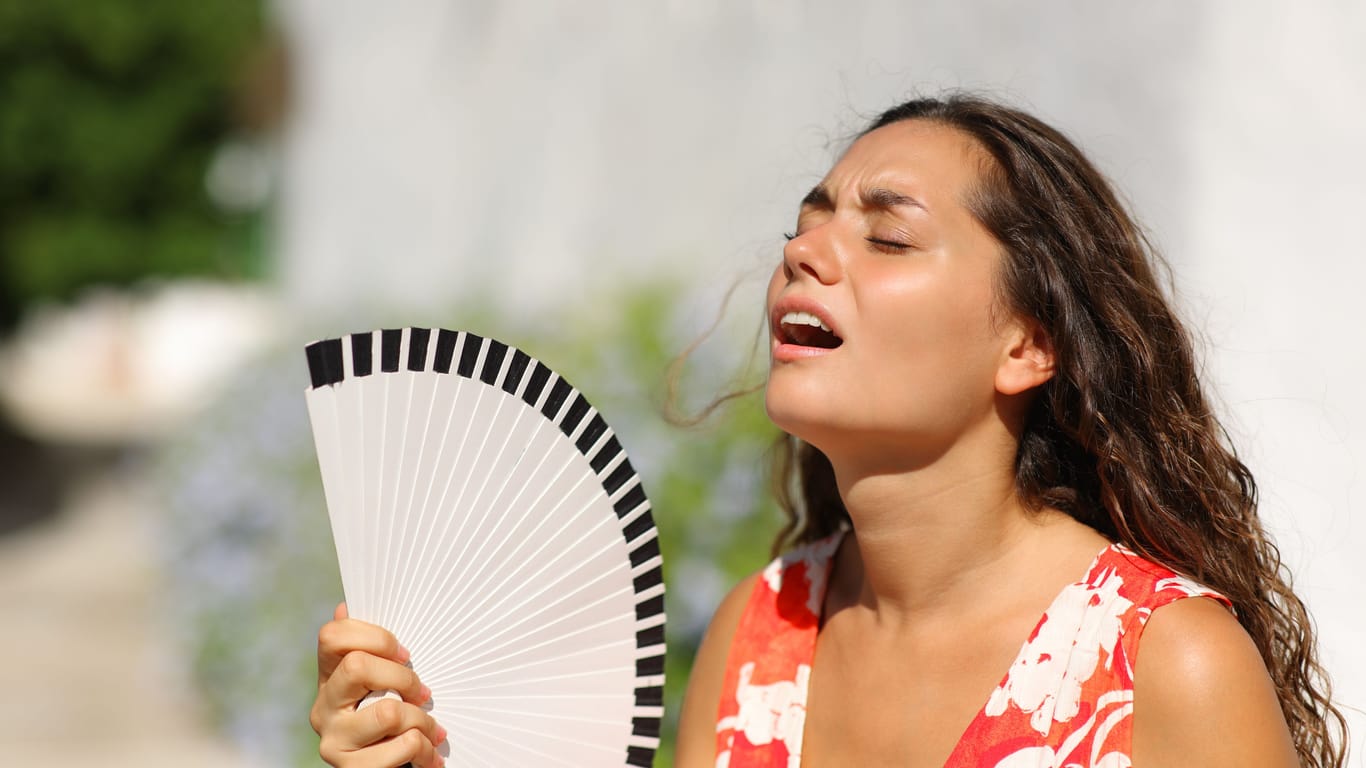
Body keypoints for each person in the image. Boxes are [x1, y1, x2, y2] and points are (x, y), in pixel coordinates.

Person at [310, 94, 1347, 767]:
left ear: (1029, 345)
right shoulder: (760, 633)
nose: (808, 250)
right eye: (804, 225)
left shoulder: (1165, 664)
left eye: (886, 234)